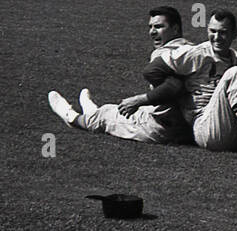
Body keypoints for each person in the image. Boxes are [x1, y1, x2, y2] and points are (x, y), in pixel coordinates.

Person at [149, 9, 237, 155]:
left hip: (232, 130)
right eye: (212, 31)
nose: (216, 37)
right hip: (206, 129)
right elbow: (152, 70)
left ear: (234, 33)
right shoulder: (195, 53)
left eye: (222, 32)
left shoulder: (234, 56)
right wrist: (176, 90)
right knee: (235, 73)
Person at [47, 6, 193, 145]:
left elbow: (174, 86)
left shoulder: (164, 54)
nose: (152, 32)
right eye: (150, 27)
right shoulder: (193, 49)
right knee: (117, 109)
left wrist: (138, 100)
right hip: (190, 127)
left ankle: (73, 118)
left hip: (163, 129)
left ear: (175, 29)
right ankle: (93, 112)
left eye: (159, 27)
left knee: (105, 116)